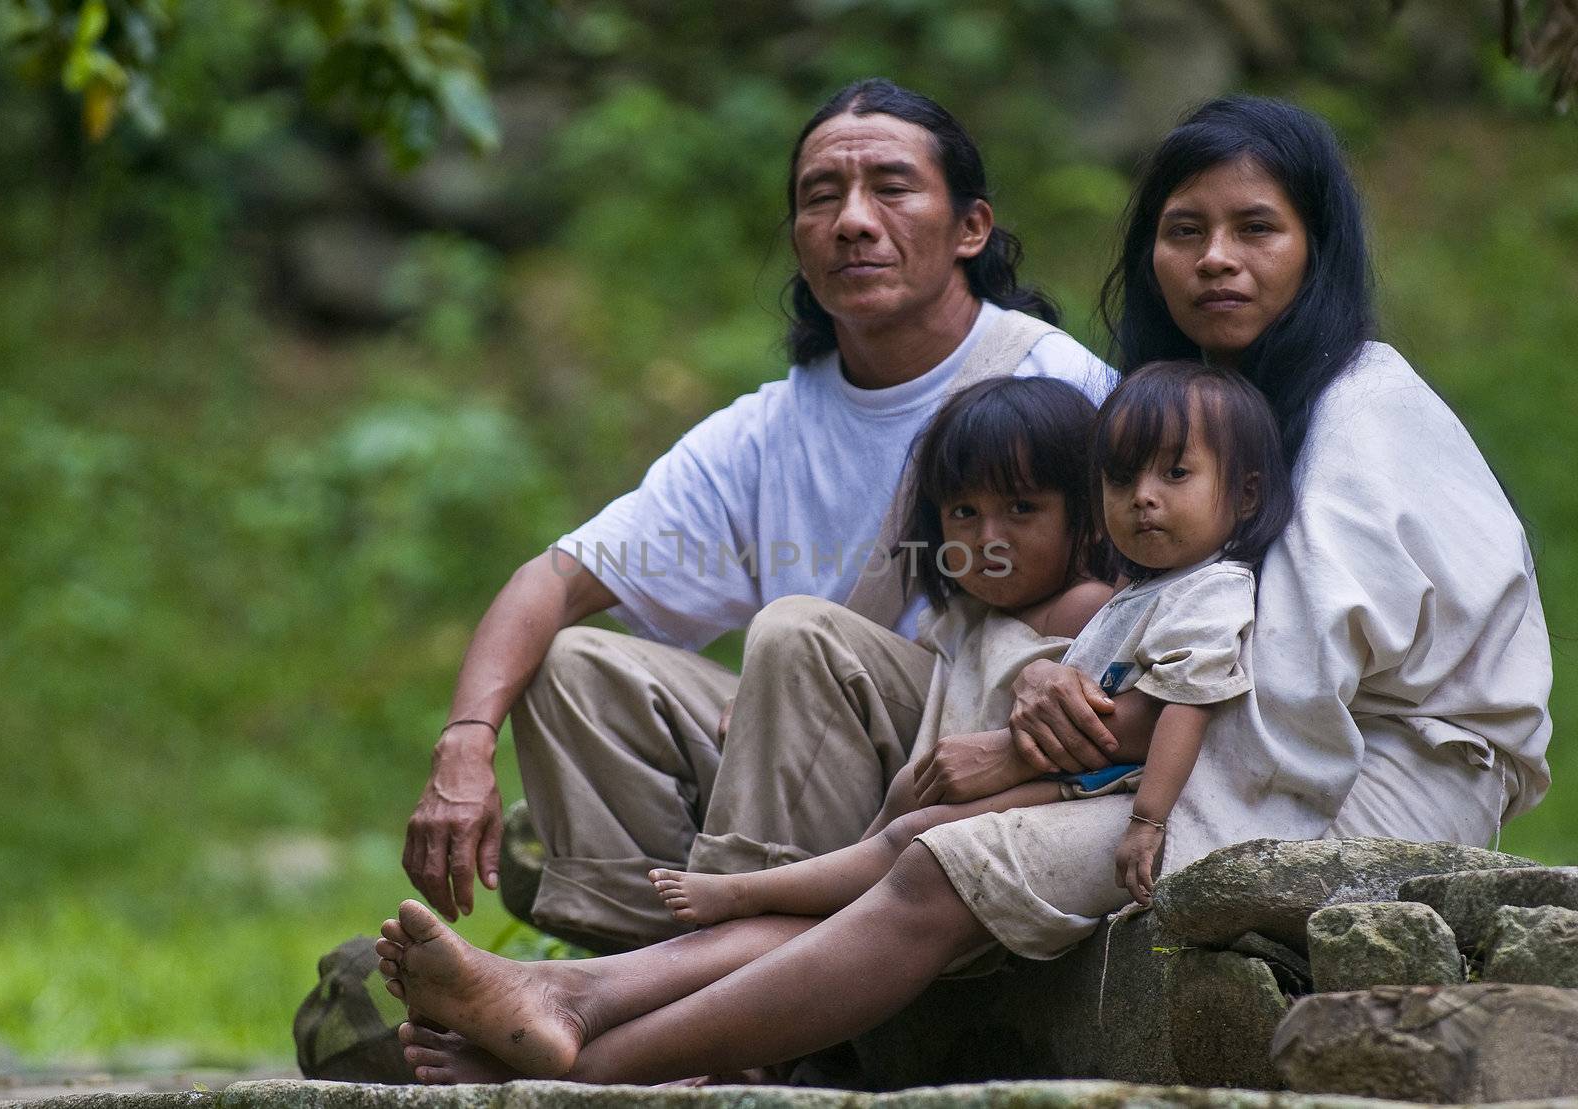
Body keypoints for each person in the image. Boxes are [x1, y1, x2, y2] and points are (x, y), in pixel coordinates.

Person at [373, 95, 1552, 1086]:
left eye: (1257, 229)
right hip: (1185, 745)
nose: (1214, 261)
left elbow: (1285, 688)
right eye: (1183, 229)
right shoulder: (1194, 401)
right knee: (916, 829)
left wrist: (1045, 764)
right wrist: (1049, 707)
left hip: (1347, 777)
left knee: (936, 851)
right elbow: (1153, 622)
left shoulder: (1355, 407)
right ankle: (572, 993)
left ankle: (581, 1053)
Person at [399, 78, 1112, 953]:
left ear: (972, 227)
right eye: (822, 196)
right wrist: (465, 744)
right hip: (804, 760)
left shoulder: (1055, 381)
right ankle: (635, 956)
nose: (853, 220)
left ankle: (729, 972)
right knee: (573, 663)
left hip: (969, 748)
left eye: (891, 187)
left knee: (796, 635)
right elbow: (549, 581)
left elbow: (1149, 596)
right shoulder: (767, 428)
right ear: (799, 241)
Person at [649, 360, 1291, 923]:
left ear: (1085, 514)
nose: (988, 538)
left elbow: (1140, 715)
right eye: (963, 514)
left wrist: (1145, 820)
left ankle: (756, 896)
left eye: (1021, 510)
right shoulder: (969, 615)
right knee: (895, 826)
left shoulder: (1101, 605)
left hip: (1048, 808)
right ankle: (776, 899)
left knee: (905, 834)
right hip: (959, 796)